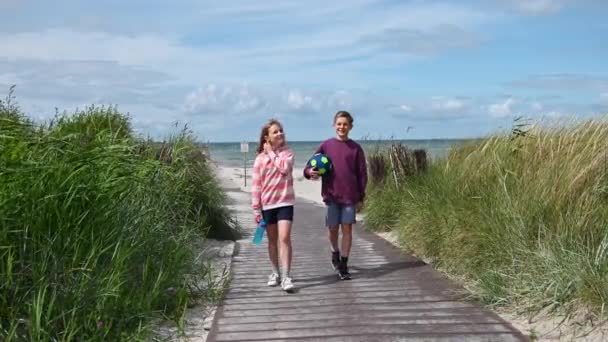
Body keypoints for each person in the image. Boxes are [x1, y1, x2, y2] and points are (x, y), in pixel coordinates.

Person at [304, 110, 368, 280]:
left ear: (351, 127)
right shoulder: (326, 146)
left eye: (345, 124)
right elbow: (309, 166)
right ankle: (335, 252)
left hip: (350, 197)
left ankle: (344, 264)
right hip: (331, 196)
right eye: (339, 124)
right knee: (333, 229)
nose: (342, 127)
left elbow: (362, 174)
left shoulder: (356, 148)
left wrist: (361, 196)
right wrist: (310, 172)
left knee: (347, 229)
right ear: (334, 125)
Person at [251, 119, 295, 291]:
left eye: (281, 131)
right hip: (267, 204)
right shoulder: (259, 159)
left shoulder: (288, 154)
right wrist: (256, 208)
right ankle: (275, 272)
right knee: (272, 240)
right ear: (266, 137)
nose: (280, 134)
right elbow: (256, 185)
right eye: (275, 132)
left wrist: (271, 154)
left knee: (284, 238)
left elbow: (284, 168)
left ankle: (286, 276)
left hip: (285, 201)